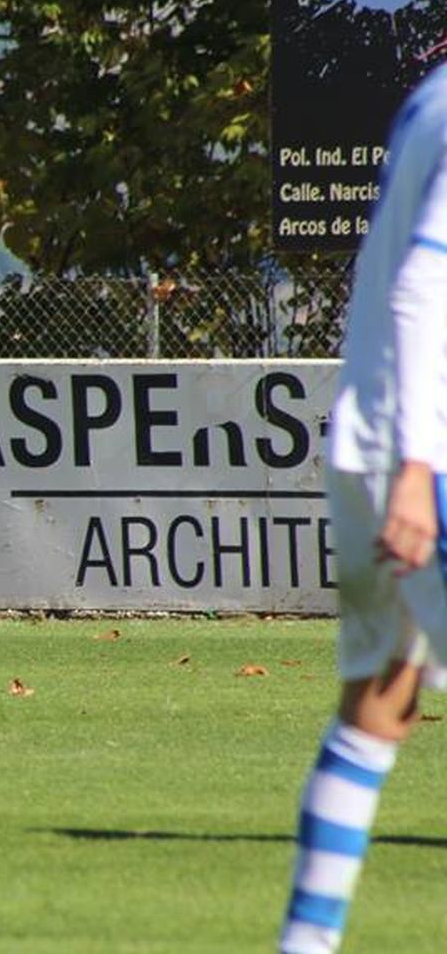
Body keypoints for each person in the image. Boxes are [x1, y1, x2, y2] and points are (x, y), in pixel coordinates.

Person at [278, 65, 447, 952]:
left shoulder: (427, 99)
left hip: (370, 438)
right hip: (426, 453)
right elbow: (424, 284)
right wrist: (420, 468)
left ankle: (304, 944)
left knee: (379, 709)